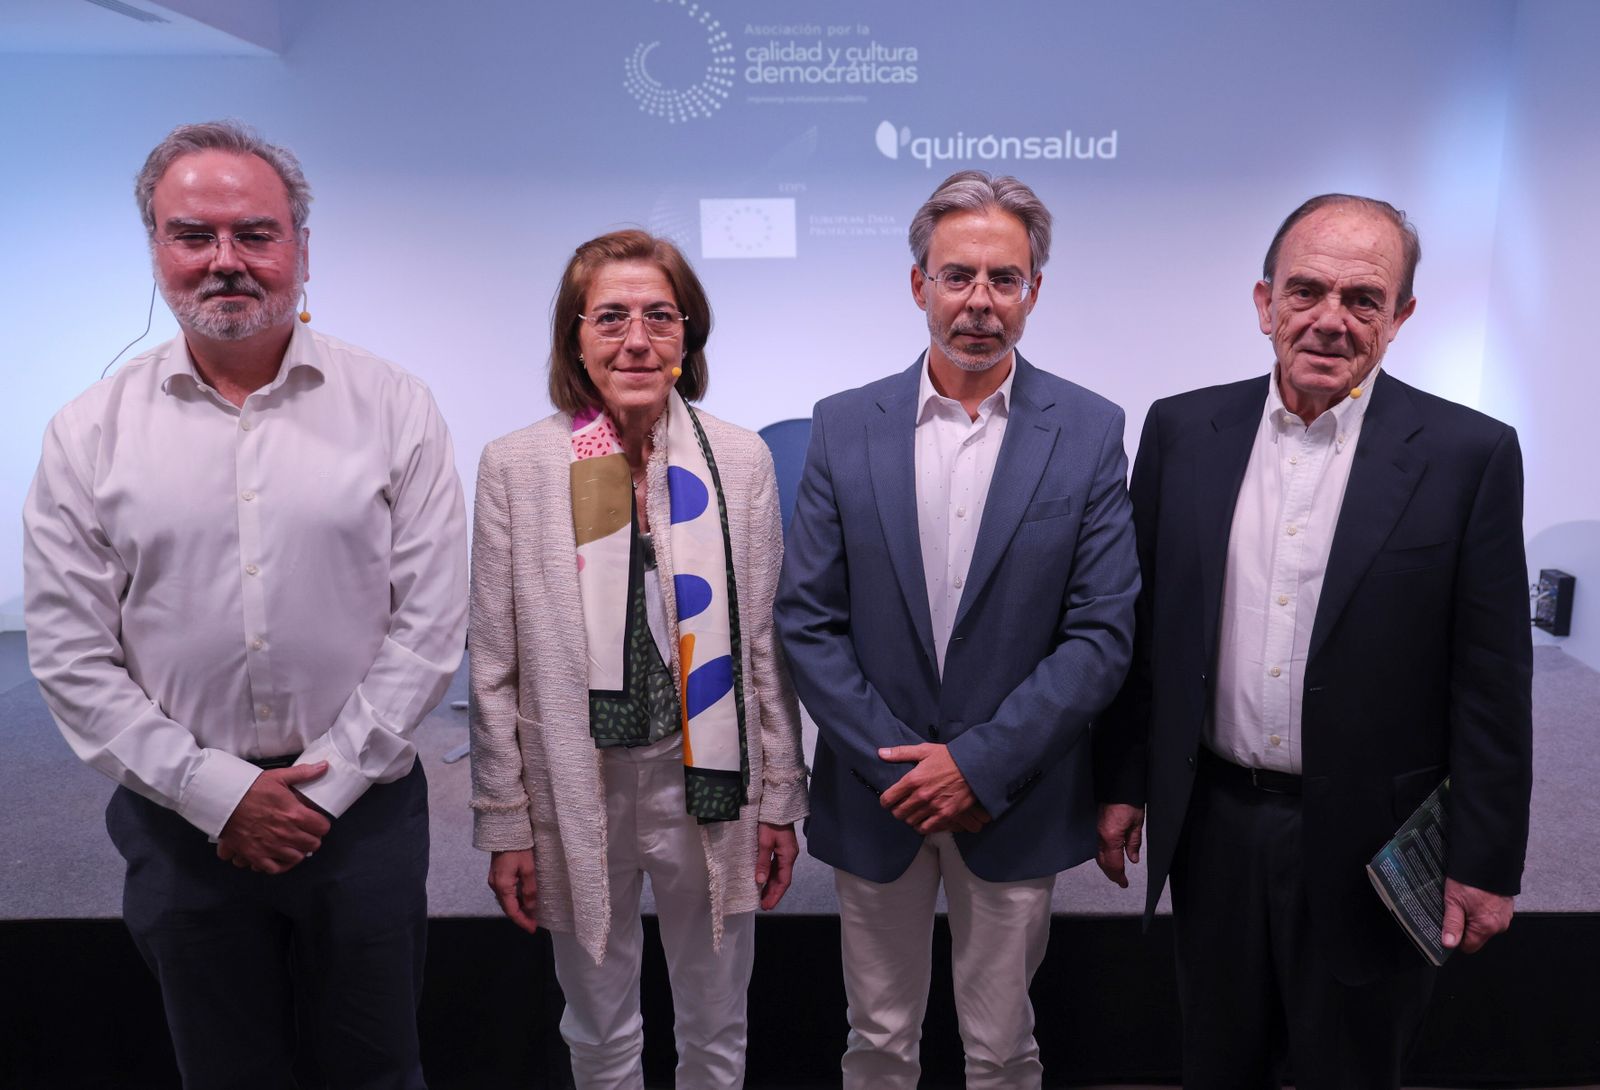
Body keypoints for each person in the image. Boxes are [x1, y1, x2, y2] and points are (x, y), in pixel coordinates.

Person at [23, 120, 467, 1088]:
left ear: (302, 248)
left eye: (254, 234)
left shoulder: (395, 406)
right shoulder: (88, 433)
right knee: (223, 1072)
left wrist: (328, 785)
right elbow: (68, 653)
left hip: (363, 819)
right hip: (179, 822)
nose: (226, 260)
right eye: (194, 235)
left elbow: (430, 621)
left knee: (377, 1069)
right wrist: (216, 794)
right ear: (156, 250)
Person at [1094, 194, 1533, 1089]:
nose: (1331, 320)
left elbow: (1492, 681)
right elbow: (1149, 640)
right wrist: (1124, 783)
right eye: (1306, 291)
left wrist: (1487, 861)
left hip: (1377, 843)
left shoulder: (1468, 453)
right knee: (1217, 1062)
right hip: (1211, 826)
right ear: (1265, 304)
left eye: (1364, 299)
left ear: (1401, 317)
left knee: (1353, 1069)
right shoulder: (1181, 431)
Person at [774, 170, 1140, 1089]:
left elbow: (1100, 631)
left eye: (1004, 279)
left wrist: (976, 764)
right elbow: (808, 621)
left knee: (1004, 1049)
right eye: (957, 275)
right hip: (879, 792)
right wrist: (908, 766)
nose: (979, 301)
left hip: (1013, 797)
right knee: (878, 1041)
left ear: (1034, 292)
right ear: (918, 285)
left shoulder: (1091, 430)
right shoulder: (843, 424)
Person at [468, 229, 808, 1089]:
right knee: (598, 1026)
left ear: (688, 335)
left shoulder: (739, 459)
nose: (637, 339)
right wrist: (504, 820)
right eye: (611, 317)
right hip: (576, 784)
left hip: (709, 781)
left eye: (661, 316)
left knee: (716, 1023)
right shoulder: (518, 466)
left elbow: (765, 645)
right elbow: (494, 661)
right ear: (573, 336)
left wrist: (780, 801)